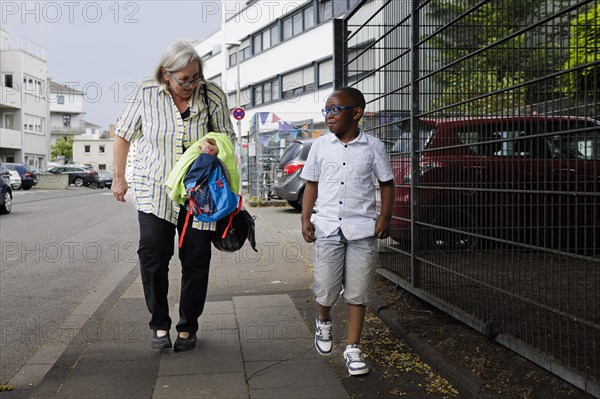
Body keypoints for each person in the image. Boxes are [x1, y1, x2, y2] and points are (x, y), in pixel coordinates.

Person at [112, 41, 234, 352]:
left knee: (196, 259)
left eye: (196, 77)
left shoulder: (212, 94)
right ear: (166, 74)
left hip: (200, 192)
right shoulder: (145, 93)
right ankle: (159, 323)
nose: (191, 85)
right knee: (153, 256)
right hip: (155, 186)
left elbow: (226, 135)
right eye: (184, 79)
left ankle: (187, 326)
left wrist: (215, 144)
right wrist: (119, 178)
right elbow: (123, 135)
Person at [300, 87, 395, 375]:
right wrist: (306, 218)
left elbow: (387, 184)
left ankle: (353, 348)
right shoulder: (320, 146)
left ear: (356, 113)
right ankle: (324, 321)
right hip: (327, 226)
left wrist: (385, 217)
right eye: (326, 111)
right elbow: (312, 184)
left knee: (357, 292)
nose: (328, 116)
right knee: (326, 288)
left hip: (362, 230)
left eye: (334, 110)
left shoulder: (374, 147)